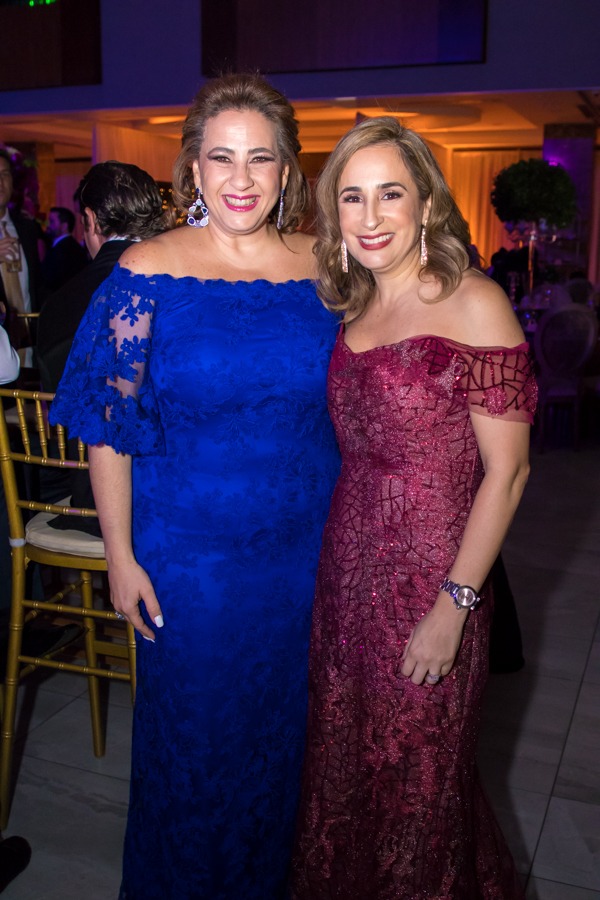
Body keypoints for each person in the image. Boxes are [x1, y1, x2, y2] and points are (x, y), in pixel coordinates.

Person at [49, 73, 340, 900]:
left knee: (292, 750)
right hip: (191, 565)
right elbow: (109, 427)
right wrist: (120, 556)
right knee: (197, 753)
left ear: (288, 170)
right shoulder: (145, 271)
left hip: (308, 558)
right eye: (221, 157)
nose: (241, 178)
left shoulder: (328, 268)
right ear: (192, 169)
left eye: (261, 158)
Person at [291, 117, 537, 899]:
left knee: (421, 788)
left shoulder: (475, 302)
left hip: (433, 584)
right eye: (351, 198)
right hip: (346, 581)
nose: (369, 217)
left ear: (426, 204)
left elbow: (508, 473)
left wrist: (454, 606)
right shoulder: (353, 306)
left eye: (389, 194)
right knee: (346, 771)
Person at [0, 149, 43, 362]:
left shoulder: (26, 228)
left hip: (29, 344)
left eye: (5, 174)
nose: (0, 182)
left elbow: (39, 285)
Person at [41, 205, 88, 291]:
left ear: (64, 226)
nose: (48, 225)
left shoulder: (66, 250)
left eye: (52, 221)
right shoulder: (69, 247)